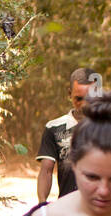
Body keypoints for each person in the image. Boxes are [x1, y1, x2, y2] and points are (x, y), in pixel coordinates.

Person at [36, 68, 103, 201]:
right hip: (67, 206)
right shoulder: (54, 128)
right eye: (79, 99)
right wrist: (42, 204)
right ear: (69, 94)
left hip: (101, 206)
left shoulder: (110, 127)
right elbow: (46, 170)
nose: (84, 104)